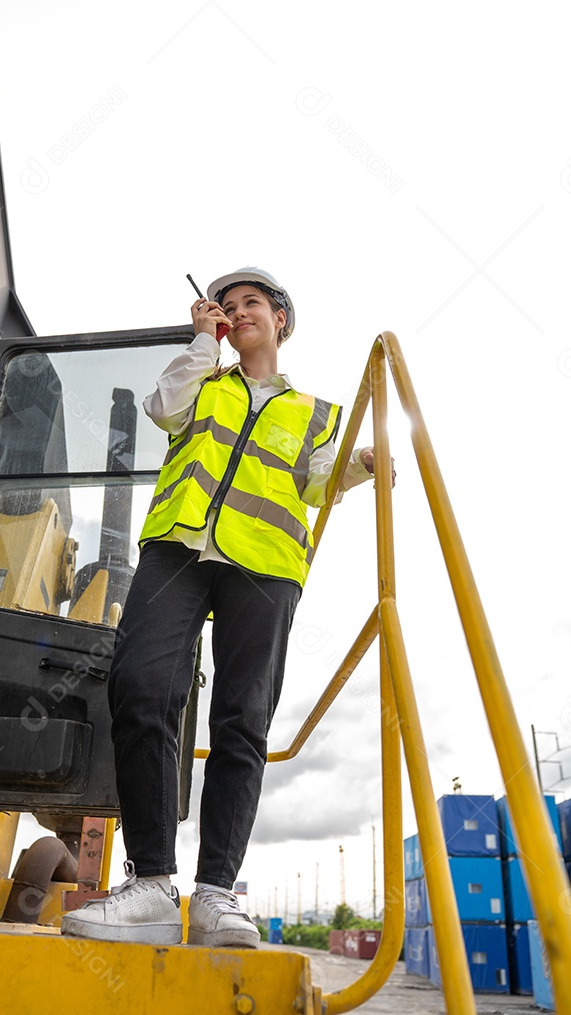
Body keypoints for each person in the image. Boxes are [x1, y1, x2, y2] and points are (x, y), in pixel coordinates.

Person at [61, 268, 385, 948]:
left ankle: (215, 897)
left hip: (265, 564)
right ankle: (152, 884)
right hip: (178, 548)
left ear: (281, 320)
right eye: (226, 307)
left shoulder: (318, 411)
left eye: (251, 304)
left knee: (244, 719)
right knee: (143, 686)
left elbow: (320, 483)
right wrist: (201, 341)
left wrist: (361, 462)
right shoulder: (202, 377)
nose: (238, 313)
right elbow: (164, 409)